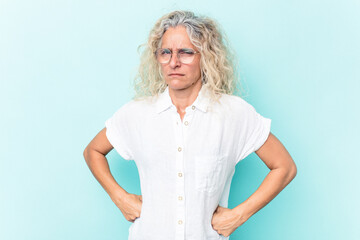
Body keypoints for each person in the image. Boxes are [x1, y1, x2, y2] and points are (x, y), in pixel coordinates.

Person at [83, 10, 297, 240]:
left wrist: (238, 215)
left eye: (185, 52)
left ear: (206, 56)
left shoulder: (233, 113)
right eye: (166, 52)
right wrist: (120, 197)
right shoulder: (137, 113)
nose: (174, 62)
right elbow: (92, 151)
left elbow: (284, 167)